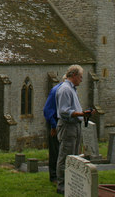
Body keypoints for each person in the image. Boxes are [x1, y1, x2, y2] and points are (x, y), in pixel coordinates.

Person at [55, 65, 91, 195]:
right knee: (65, 156)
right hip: (67, 126)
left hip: (75, 125)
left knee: (74, 156)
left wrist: (82, 114)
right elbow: (64, 112)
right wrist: (81, 114)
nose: (81, 80)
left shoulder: (72, 89)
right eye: (80, 77)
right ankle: (62, 186)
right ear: (74, 75)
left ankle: (71, 183)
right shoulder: (65, 90)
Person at [43, 76, 64, 183]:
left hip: (63, 124)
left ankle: (61, 175)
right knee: (55, 150)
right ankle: (54, 176)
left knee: (61, 150)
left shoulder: (69, 90)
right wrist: (53, 126)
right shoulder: (56, 90)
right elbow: (47, 110)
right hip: (55, 123)